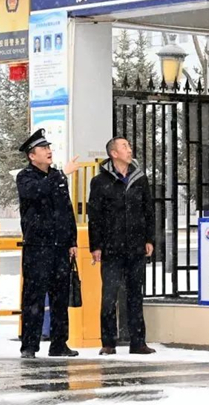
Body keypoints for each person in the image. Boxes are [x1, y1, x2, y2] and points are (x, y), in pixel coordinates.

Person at [87, 137, 156, 355]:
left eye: (129, 146)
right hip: (111, 248)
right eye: (124, 146)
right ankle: (108, 342)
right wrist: (96, 246)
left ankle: (138, 342)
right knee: (109, 295)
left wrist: (149, 239)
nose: (129, 149)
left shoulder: (139, 178)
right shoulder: (100, 182)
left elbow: (148, 211)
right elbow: (95, 216)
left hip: (135, 246)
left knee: (135, 294)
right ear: (113, 153)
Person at [16, 128, 81, 359]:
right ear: (32, 155)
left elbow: (66, 210)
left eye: (48, 147)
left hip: (60, 246)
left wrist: (72, 240)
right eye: (43, 148)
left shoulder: (56, 177)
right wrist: (62, 174)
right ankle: (29, 345)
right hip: (38, 246)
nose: (48, 151)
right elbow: (38, 192)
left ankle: (59, 343)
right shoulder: (26, 177)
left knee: (60, 297)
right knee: (33, 297)